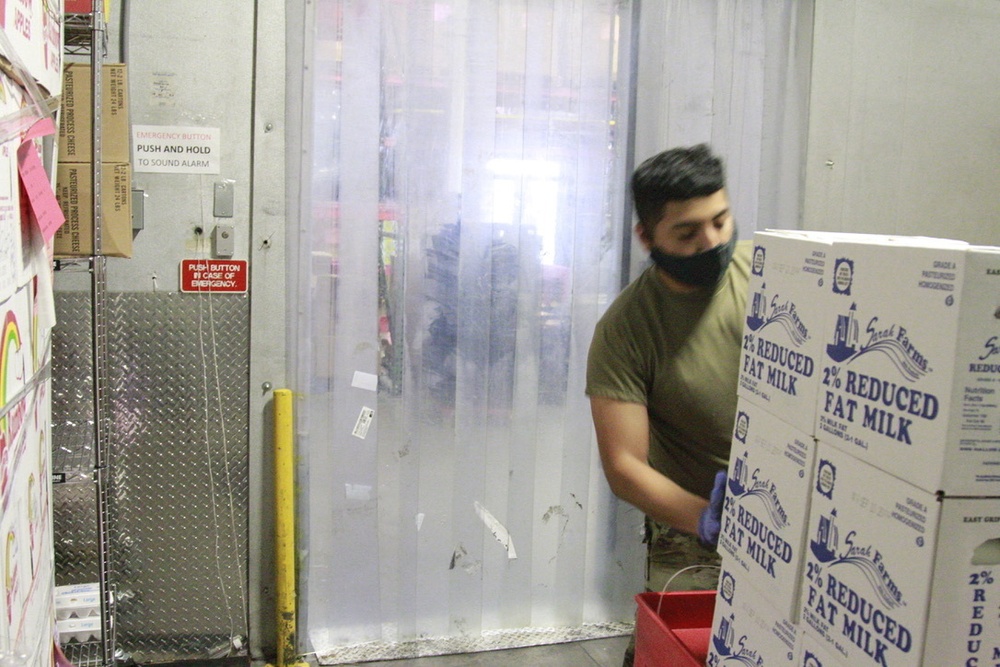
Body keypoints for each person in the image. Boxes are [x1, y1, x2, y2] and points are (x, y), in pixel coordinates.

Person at [585, 144, 750, 666]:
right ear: (646, 237)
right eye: (688, 232)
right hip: (694, 531)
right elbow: (625, 466)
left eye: (721, 221)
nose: (712, 241)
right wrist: (708, 518)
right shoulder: (626, 329)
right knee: (679, 652)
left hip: (790, 520)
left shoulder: (776, 279)